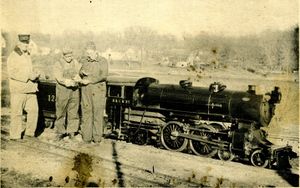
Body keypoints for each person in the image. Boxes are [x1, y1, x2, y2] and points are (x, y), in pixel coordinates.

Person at [7, 34, 40, 140]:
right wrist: (28, 76)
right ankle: (15, 136)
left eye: (27, 43)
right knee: (17, 114)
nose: (26, 45)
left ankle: (30, 134)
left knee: (34, 111)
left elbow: (28, 70)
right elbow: (12, 72)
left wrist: (35, 73)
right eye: (23, 43)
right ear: (18, 43)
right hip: (19, 90)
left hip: (30, 89)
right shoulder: (13, 56)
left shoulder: (27, 55)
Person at [79, 41, 108, 143]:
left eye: (90, 53)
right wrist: (81, 72)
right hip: (86, 90)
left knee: (97, 113)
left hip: (98, 90)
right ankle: (86, 138)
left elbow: (104, 75)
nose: (88, 55)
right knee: (86, 113)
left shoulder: (103, 61)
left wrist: (90, 80)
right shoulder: (85, 61)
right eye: (87, 53)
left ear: (96, 51)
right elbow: (80, 71)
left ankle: (97, 138)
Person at [53, 47, 81, 140]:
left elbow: (79, 72)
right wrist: (68, 82)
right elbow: (59, 77)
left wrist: (78, 77)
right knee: (61, 112)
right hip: (63, 91)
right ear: (63, 56)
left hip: (74, 91)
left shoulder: (75, 62)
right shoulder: (58, 64)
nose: (70, 57)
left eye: (71, 55)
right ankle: (60, 132)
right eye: (67, 56)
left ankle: (72, 131)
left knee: (73, 111)